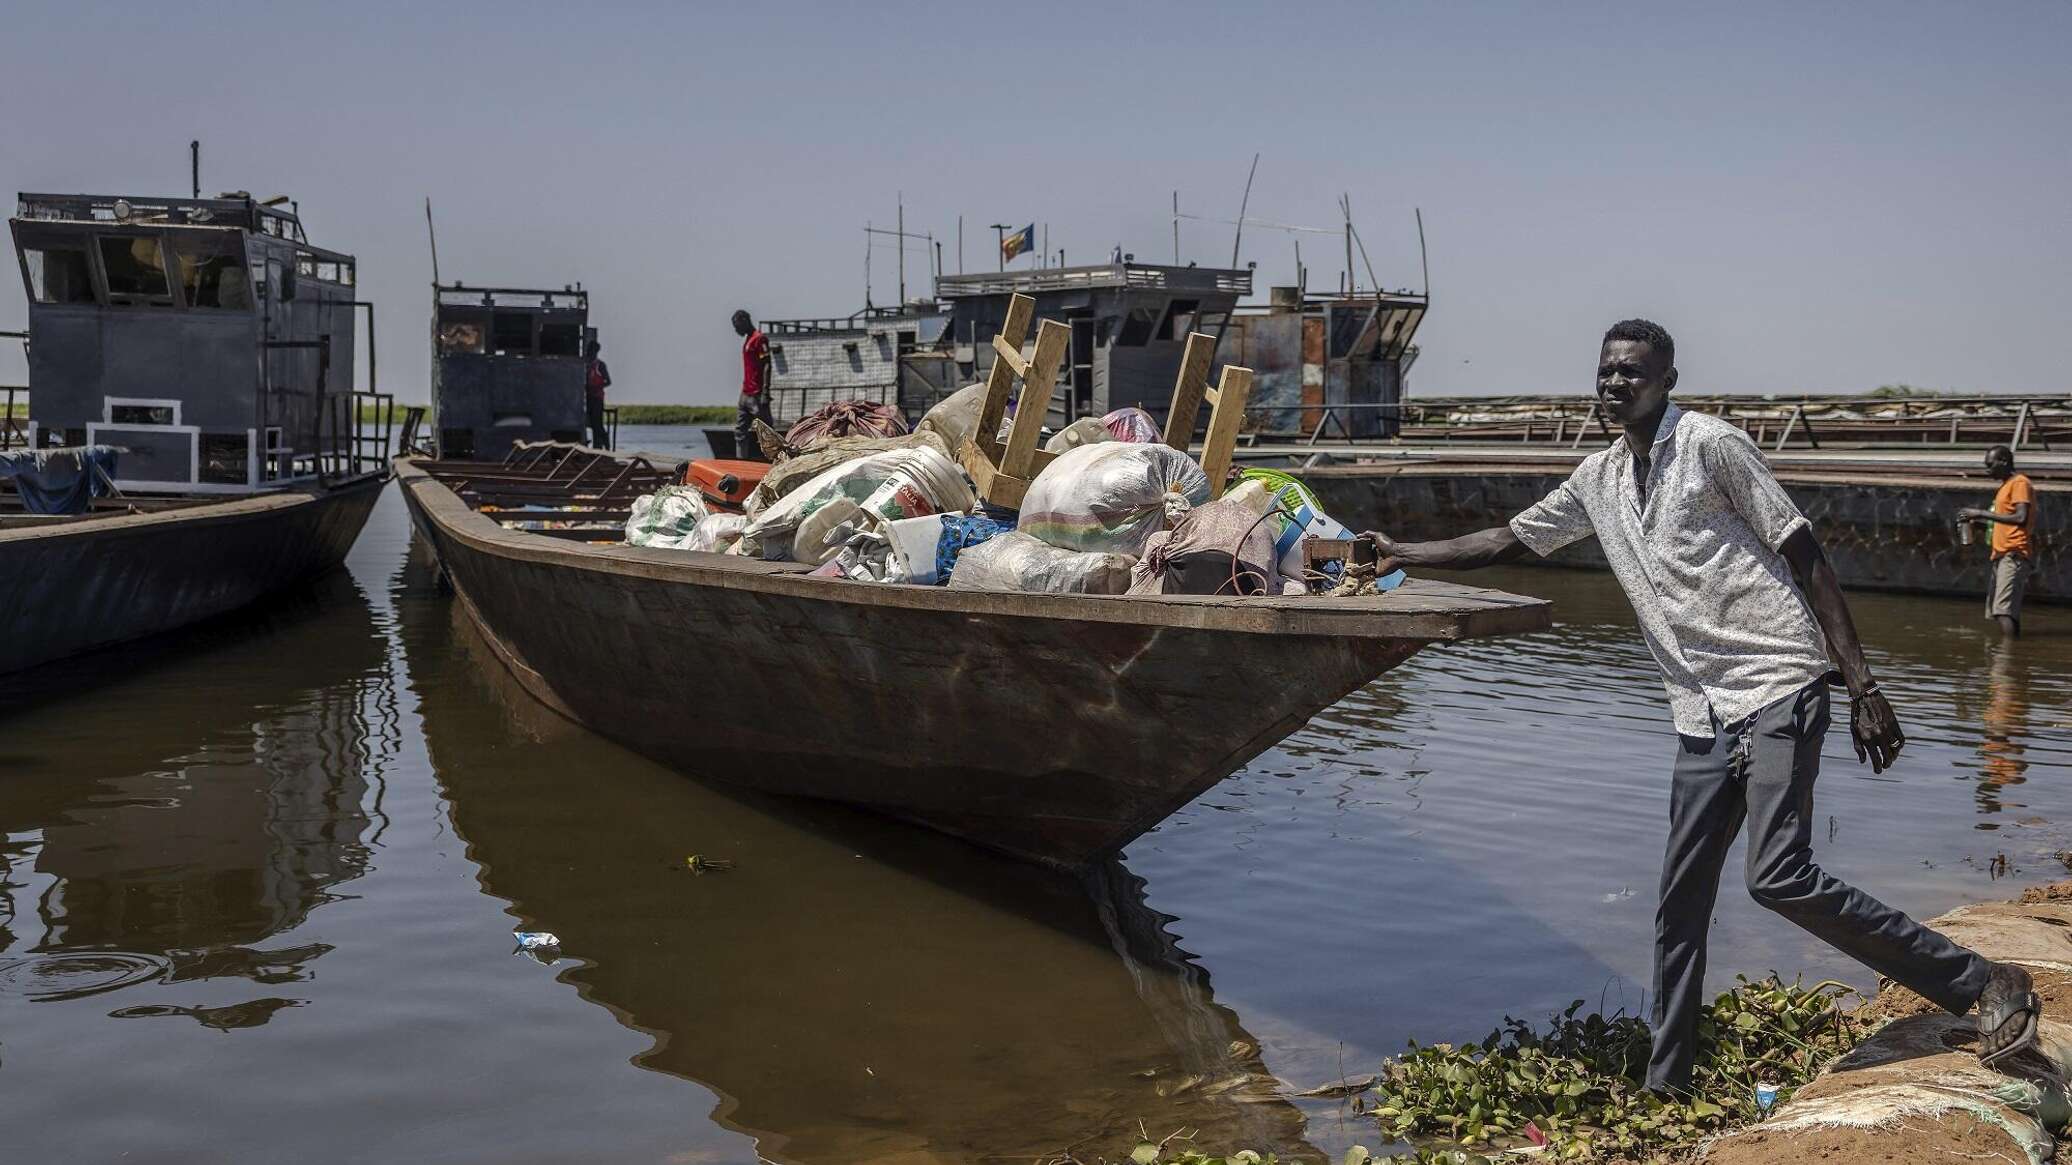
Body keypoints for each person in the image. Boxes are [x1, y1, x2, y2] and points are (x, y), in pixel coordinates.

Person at [1363, 319, 2039, 1095]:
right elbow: (1507, 539)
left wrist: (1863, 685)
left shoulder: (1712, 446)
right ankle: (1668, 1083)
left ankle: (1985, 982)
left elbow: (1804, 553)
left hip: (1780, 684)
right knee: (1678, 905)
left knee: (1777, 873)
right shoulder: (1600, 479)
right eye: (1607, 371)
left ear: (1667, 380)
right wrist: (1405, 553)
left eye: (1633, 373)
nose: (1616, 383)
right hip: (1700, 712)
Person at [1959, 446, 2035, 639]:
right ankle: (2013, 655)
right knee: (2003, 611)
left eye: (1990, 465)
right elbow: (2001, 524)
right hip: (2001, 555)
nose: (1987, 470)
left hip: (2013, 553)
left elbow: (2020, 518)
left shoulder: (2019, 482)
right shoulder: (2004, 487)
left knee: (2002, 611)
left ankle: (2006, 656)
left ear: (2003, 461)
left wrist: (1981, 513)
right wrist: (1979, 525)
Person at [733, 310, 774, 461]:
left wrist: (765, 391)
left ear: (744, 320)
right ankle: (741, 463)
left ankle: (775, 462)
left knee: (767, 430)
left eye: (737, 325)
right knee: (740, 431)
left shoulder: (759, 339)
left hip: (757, 394)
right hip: (745, 393)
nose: (736, 329)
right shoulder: (748, 339)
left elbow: (767, 366)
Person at [584, 339, 612, 450]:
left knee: (598, 424)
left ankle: (607, 447)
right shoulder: (586, 365)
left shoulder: (600, 365)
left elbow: (608, 381)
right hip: (588, 398)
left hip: (597, 398)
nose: (589, 353)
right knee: (590, 423)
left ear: (595, 351)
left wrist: (596, 387)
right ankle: (596, 448)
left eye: (592, 351)